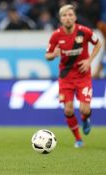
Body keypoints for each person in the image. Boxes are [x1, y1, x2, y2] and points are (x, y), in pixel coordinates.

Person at [45, 4, 102, 148]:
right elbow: (47, 55)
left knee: (84, 109)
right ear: (60, 19)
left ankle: (85, 119)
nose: (68, 18)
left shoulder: (84, 31)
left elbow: (98, 43)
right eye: (64, 16)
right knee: (68, 109)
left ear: (75, 17)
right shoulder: (56, 35)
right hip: (66, 77)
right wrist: (53, 54)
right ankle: (78, 139)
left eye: (70, 15)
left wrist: (89, 61)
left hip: (83, 76)